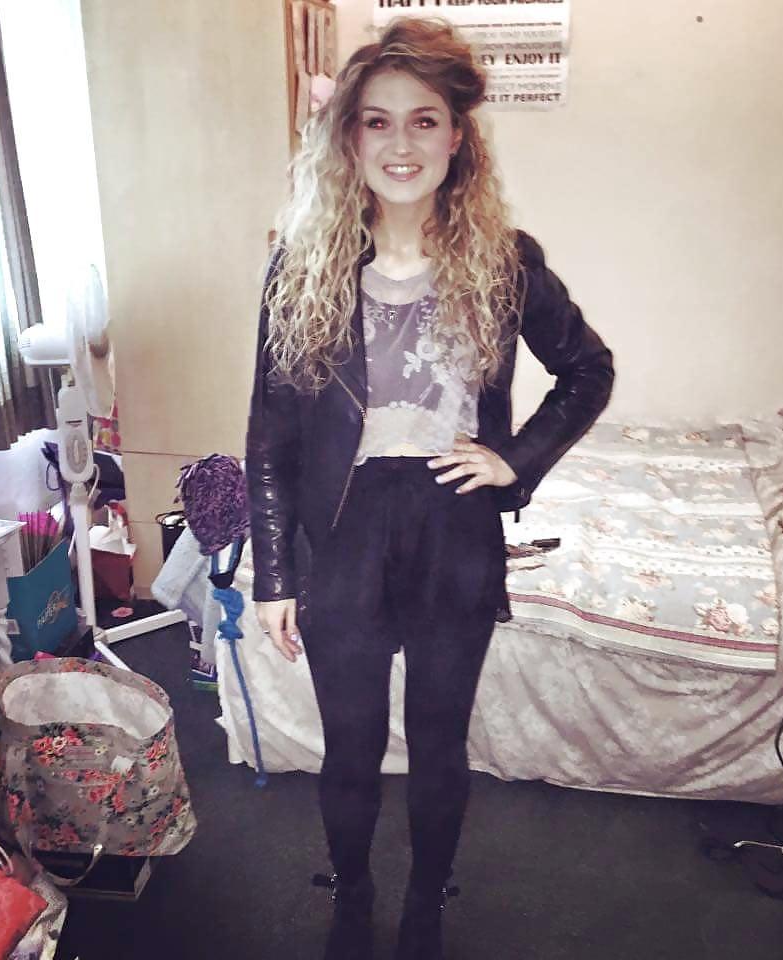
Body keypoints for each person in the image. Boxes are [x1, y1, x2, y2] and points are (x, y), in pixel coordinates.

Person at [247, 18, 614, 960]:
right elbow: (272, 433)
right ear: (349, 137)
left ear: (457, 135)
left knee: (441, 739)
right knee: (350, 743)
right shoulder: (301, 262)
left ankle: (424, 905)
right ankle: (352, 892)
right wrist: (274, 575)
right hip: (343, 528)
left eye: (424, 120)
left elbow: (587, 369)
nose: (400, 144)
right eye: (377, 121)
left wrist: (515, 460)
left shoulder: (504, 259)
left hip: (454, 525)